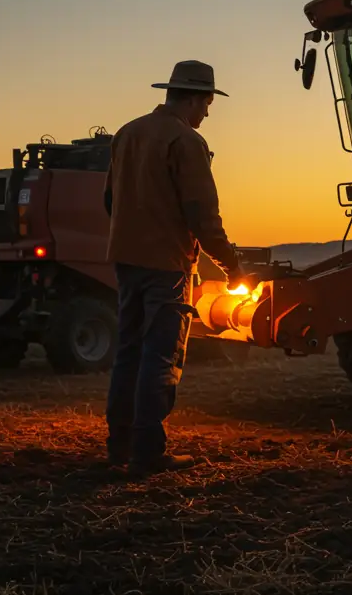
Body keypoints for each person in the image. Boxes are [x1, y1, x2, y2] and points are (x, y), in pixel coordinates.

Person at [101, 60, 247, 476]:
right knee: (161, 356)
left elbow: (110, 199)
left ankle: (120, 446)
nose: (207, 113)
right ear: (196, 98)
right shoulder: (186, 141)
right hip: (167, 265)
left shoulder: (127, 134)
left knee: (128, 351)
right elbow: (203, 215)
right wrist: (231, 265)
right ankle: (148, 452)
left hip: (126, 260)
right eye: (207, 104)